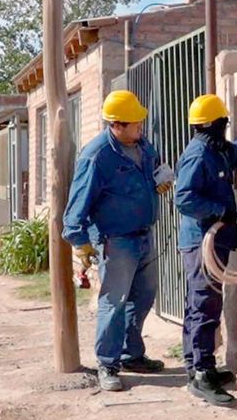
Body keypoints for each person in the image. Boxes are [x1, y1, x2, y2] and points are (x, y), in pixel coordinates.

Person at [62, 90, 172, 391]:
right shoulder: (97, 156)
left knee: (143, 297)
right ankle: (107, 363)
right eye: (135, 124)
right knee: (114, 304)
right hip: (116, 241)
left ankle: (131, 354)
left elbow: (153, 168)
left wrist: (159, 181)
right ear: (116, 125)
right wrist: (80, 242)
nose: (141, 127)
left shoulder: (143, 145)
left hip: (144, 234)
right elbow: (77, 204)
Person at [174, 94, 237, 406]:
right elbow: (184, 198)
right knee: (204, 305)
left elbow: (234, 152)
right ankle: (202, 374)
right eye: (223, 123)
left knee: (200, 305)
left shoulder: (215, 149)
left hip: (213, 240)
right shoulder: (199, 154)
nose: (226, 128)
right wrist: (219, 211)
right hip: (202, 241)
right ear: (216, 124)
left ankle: (198, 368)